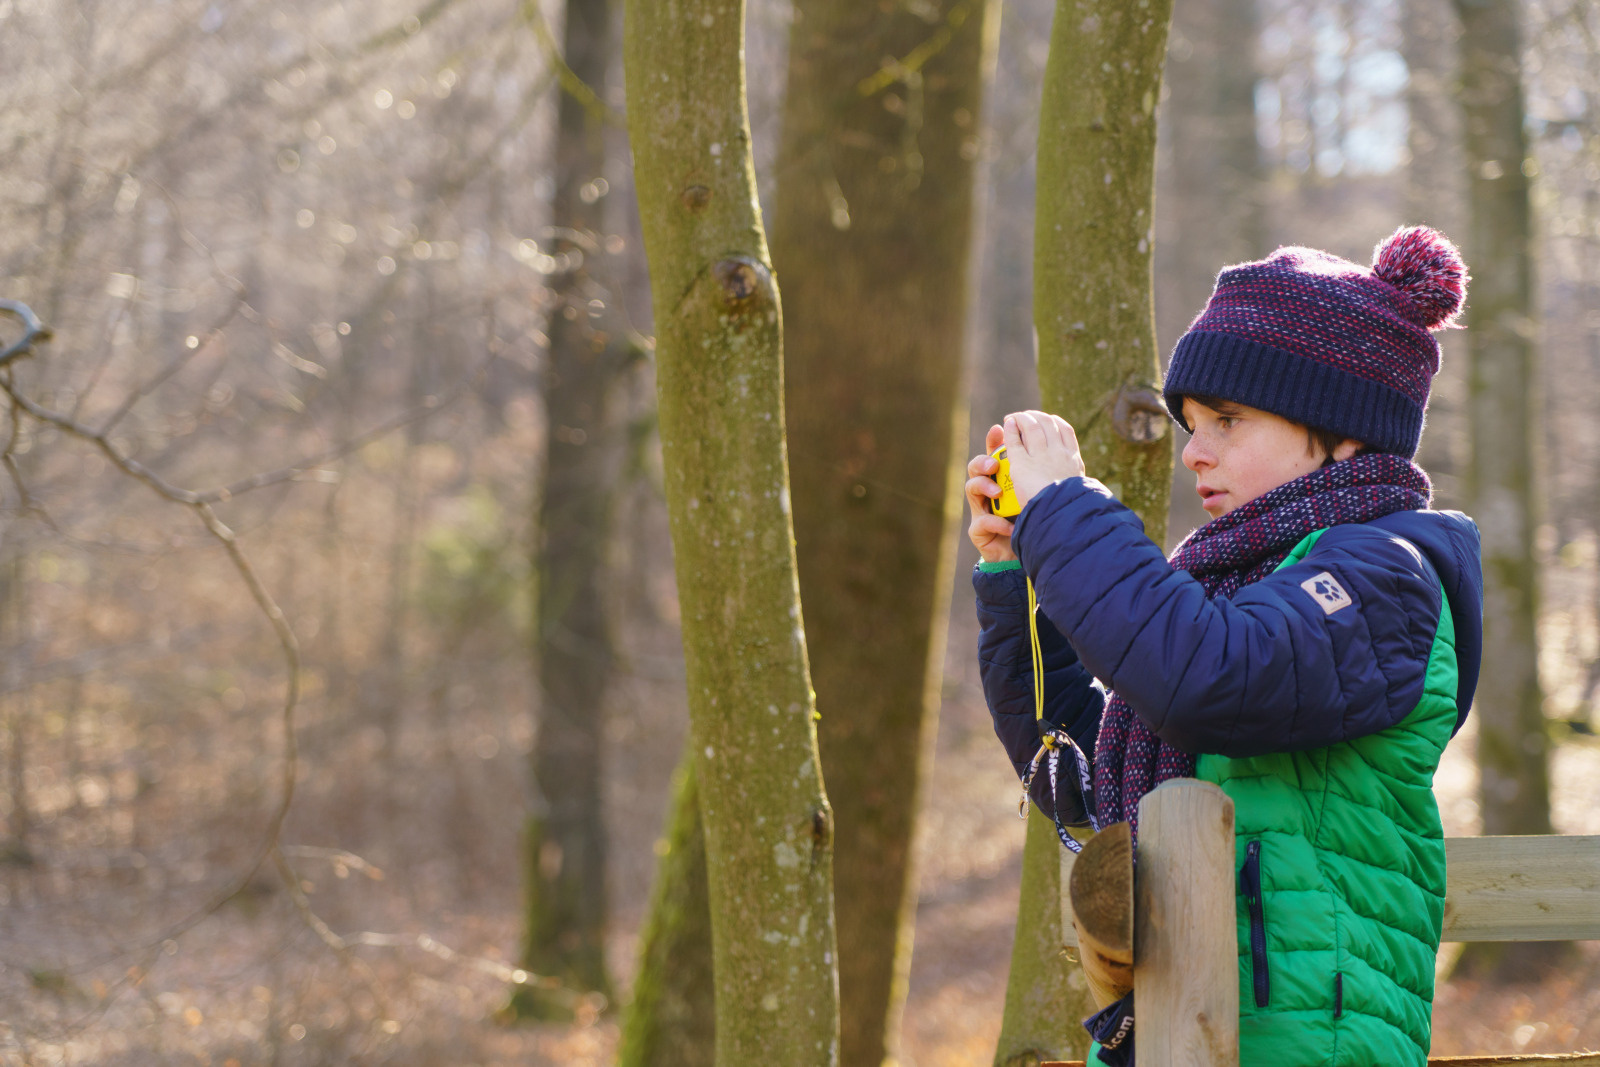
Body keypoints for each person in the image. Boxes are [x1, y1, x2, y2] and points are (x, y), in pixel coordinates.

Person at [967, 226, 1483, 1067]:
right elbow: (1075, 771)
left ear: (1344, 430)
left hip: (1302, 1045)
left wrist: (1066, 512)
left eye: (1229, 420)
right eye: (1192, 423)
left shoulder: (1389, 576)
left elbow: (1208, 678)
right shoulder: (1237, 589)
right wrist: (1016, 575)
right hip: (1174, 1035)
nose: (1194, 452)